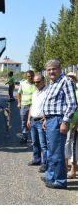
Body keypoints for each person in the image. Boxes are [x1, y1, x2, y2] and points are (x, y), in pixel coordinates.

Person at [41, 60, 77, 189]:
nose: (51, 71)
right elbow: (52, 104)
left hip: (58, 120)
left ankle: (60, 181)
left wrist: (65, 121)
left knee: (56, 153)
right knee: (51, 151)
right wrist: (45, 118)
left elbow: (72, 104)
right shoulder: (53, 83)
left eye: (53, 69)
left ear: (60, 69)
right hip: (50, 120)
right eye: (49, 69)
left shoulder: (66, 81)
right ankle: (51, 177)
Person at [27, 74, 48, 173]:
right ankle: (36, 159)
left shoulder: (47, 91)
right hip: (33, 120)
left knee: (43, 144)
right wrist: (28, 119)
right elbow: (32, 106)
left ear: (43, 81)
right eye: (34, 82)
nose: (36, 83)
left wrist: (46, 118)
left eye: (38, 81)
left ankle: (45, 164)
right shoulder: (35, 93)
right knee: (35, 142)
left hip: (41, 121)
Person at [64, 72, 78, 179]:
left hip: (74, 124)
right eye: (68, 77)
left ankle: (73, 170)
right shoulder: (66, 90)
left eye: (72, 77)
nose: (70, 79)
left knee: (73, 146)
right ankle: (64, 167)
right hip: (66, 122)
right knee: (65, 145)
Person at [17, 70, 36, 144]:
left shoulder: (36, 83)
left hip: (34, 106)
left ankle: (34, 139)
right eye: (28, 76)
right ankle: (25, 138)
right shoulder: (23, 83)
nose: (30, 77)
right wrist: (19, 103)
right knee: (24, 122)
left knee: (33, 122)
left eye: (31, 76)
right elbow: (18, 94)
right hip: (24, 105)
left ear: (33, 76)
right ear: (26, 76)